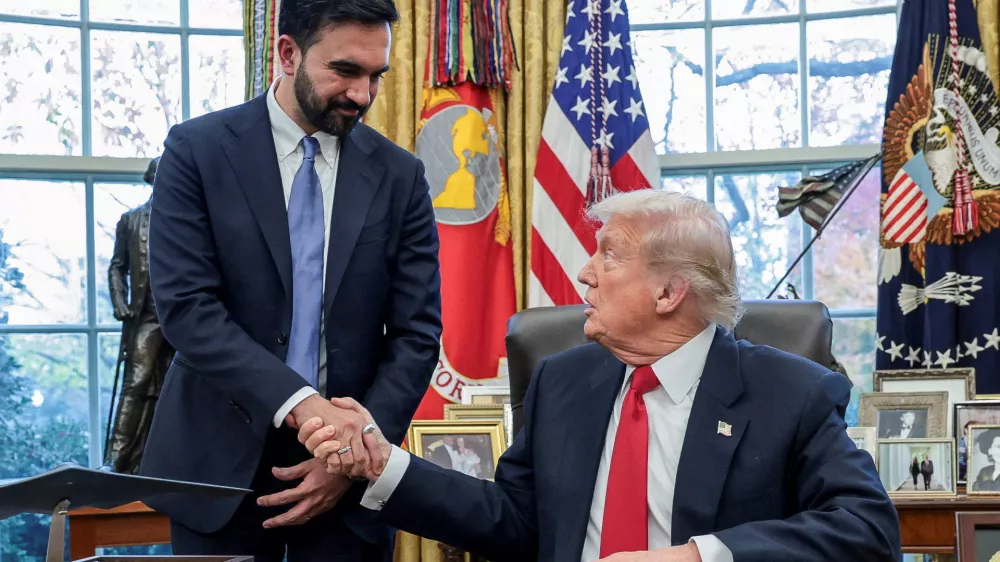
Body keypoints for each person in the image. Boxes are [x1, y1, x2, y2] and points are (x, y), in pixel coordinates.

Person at [300, 189, 902, 561]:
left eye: (609, 253)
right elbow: (514, 522)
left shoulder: (789, 392)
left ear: (670, 291)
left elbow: (866, 530)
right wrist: (385, 464)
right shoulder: (563, 381)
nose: (585, 273)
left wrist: (700, 558)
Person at [138, 0, 442, 559]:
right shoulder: (196, 151)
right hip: (217, 471)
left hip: (350, 481)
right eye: (345, 71)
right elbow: (188, 309)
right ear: (287, 53)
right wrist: (305, 405)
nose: (362, 95)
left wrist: (352, 450)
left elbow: (416, 334)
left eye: (376, 76)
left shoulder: (402, 176)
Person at [104, 156, 176, 474]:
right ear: (151, 180)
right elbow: (117, 267)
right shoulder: (130, 220)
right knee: (136, 383)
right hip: (145, 315)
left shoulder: (188, 222)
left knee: (179, 387)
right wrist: (119, 301)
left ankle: (170, 458)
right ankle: (116, 460)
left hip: (182, 317)